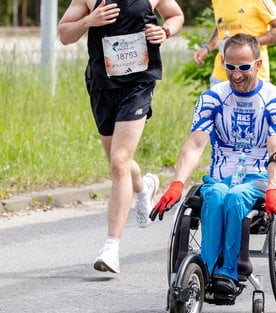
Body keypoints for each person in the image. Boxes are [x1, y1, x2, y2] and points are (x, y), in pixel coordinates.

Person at [151, 33, 276, 294]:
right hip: (221, 175)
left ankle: (229, 273)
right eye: (230, 67)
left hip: (258, 178)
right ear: (222, 62)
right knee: (217, 194)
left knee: (236, 197)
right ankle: (206, 270)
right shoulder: (213, 98)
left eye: (244, 67)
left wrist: (274, 189)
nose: (237, 74)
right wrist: (177, 183)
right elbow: (195, 144)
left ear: (258, 64)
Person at [58, 0, 184, 274]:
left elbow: (175, 15)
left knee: (119, 159)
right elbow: (64, 35)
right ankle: (144, 187)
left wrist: (165, 32)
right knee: (118, 162)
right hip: (102, 83)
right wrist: (88, 21)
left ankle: (111, 247)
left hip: (139, 82)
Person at [193, 0, 276, 86]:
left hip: (252, 78)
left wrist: (245, 44)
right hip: (220, 77)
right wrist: (207, 47)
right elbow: (222, 25)